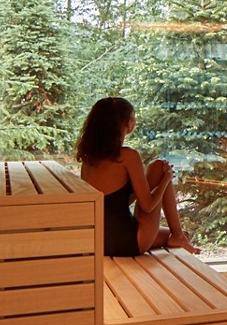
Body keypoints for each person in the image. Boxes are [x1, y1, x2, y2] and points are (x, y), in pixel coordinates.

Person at [76, 96, 200, 256]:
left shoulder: (89, 161)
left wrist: (139, 190)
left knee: (175, 236)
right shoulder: (127, 156)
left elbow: (112, 203)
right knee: (158, 167)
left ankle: (178, 236)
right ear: (129, 123)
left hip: (100, 242)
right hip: (127, 242)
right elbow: (148, 206)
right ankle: (178, 235)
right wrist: (166, 179)